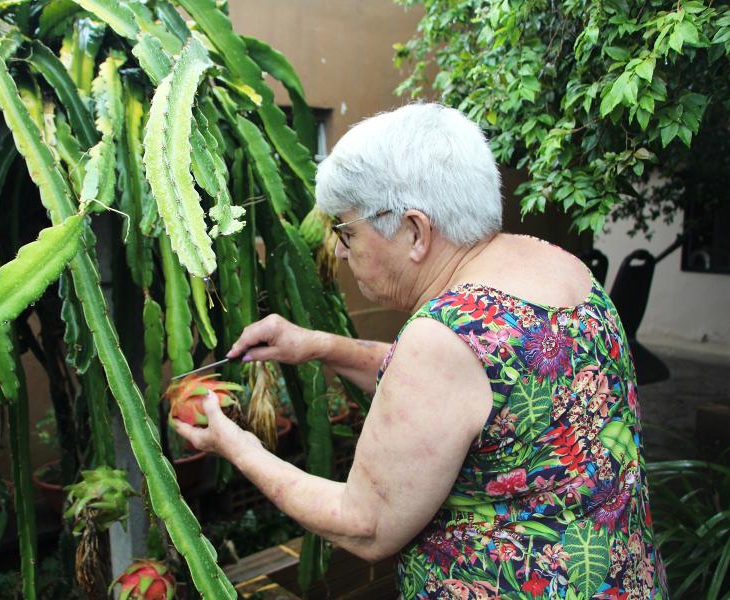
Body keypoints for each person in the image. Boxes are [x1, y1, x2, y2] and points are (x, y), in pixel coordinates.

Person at [174, 103, 666, 599]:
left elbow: (365, 524)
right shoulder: (559, 266)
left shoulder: (442, 337)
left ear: (414, 231)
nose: (341, 251)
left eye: (346, 231)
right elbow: (472, 392)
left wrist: (236, 446)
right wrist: (318, 346)